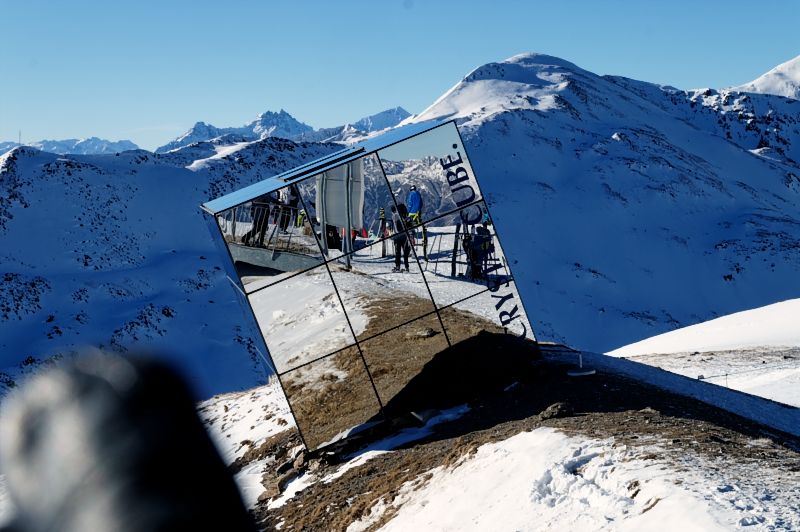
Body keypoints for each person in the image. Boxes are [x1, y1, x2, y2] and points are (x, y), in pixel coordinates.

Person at [406, 185, 428, 260]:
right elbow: (421, 203)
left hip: (411, 213)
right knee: (415, 227)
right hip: (418, 214)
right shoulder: (418, 194)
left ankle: (411, 251)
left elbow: (409, 204)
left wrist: (408, 212)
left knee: (409, 230)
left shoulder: (410, 194)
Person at [390, 204, 411, 272]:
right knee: (405, 253)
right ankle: (406, 267)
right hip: (405, 237)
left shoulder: (395, 216)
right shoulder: (406, 217)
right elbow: (410, 225)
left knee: (398, 253)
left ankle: (398, 266)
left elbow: (394, 227)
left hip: (397, 237)